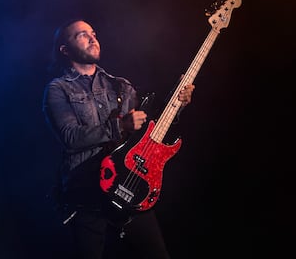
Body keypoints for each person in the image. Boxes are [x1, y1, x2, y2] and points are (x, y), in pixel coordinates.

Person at [42, 18, 195, 259]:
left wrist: (177, 106)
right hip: (86, 195)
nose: (93, 38)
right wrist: (119, 125)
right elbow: (70, 138)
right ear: (65, 49)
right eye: (82, 35)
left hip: (128, 185)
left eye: (93, 32)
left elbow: (147, 133)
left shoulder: (121, 86)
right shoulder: (58, 90)